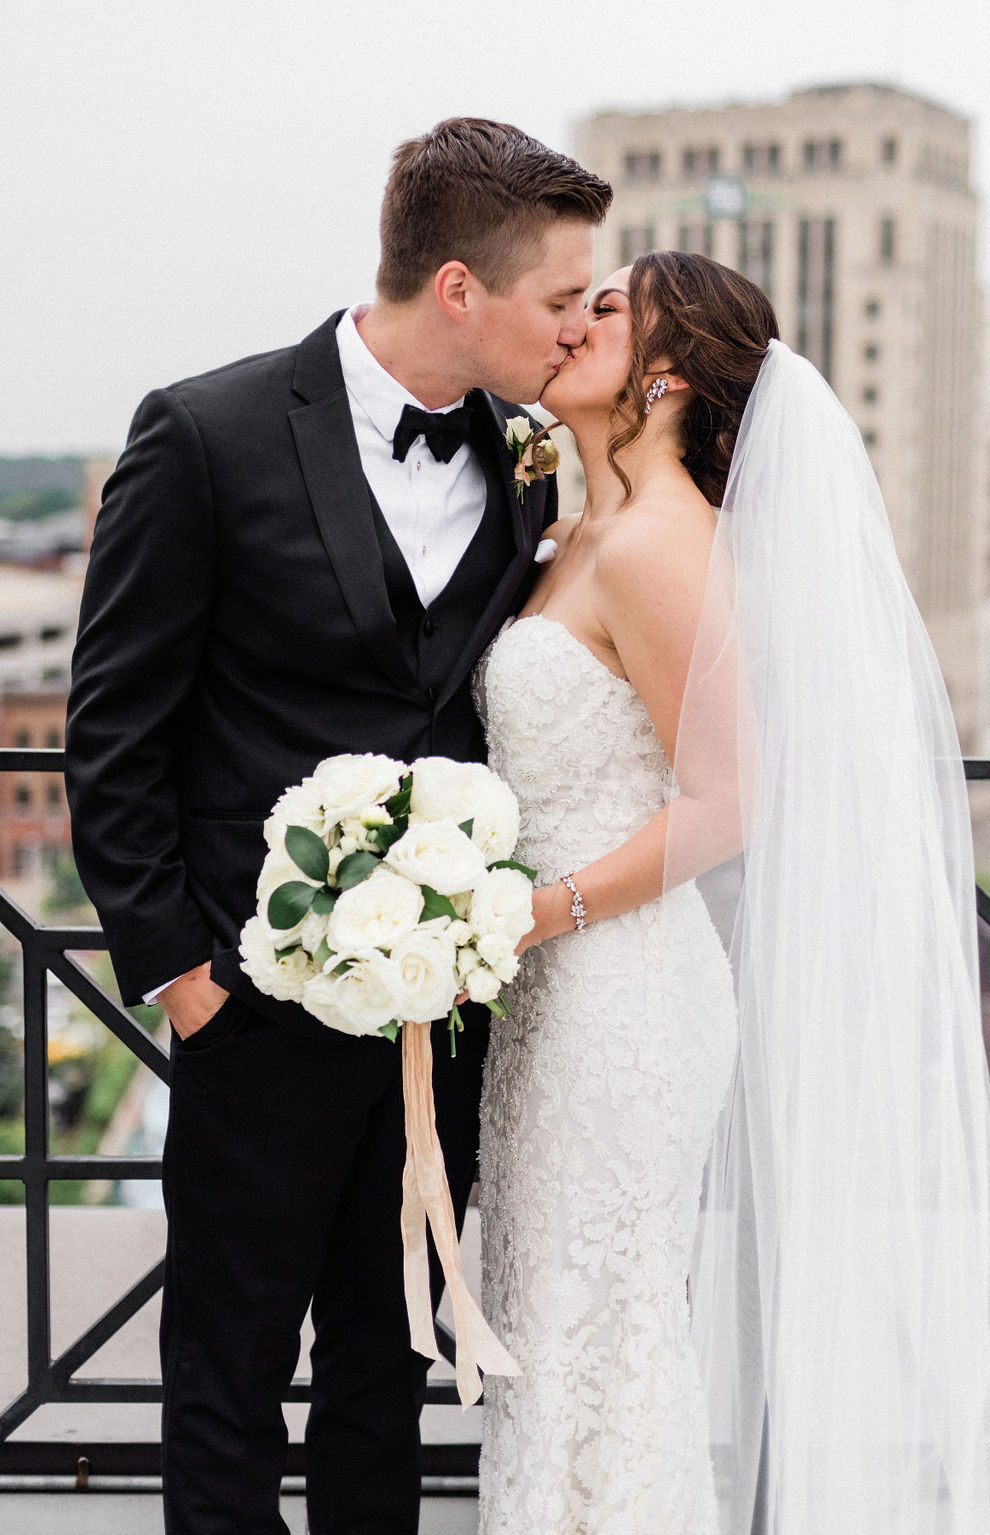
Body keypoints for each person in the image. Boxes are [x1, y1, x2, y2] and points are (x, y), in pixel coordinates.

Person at [63, 118, 611, 1535]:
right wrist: (186, 977)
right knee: (230, 1374)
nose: (575, 326)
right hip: (249, 1008)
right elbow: (114, 727)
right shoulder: (204, 432)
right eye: (559, 298)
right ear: (458, 290)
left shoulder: (533, 462)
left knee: (387, 1367)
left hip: (446, 1021)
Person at [475, 251, 990, 1534]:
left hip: (622, 998)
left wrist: (531, 913)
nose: (571, 322)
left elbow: (727, 801)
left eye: (604, 308)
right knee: (552, 1332)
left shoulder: (663, 543)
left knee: (602, 1334)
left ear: (664, 374)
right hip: (550, 994)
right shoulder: (578, 527)